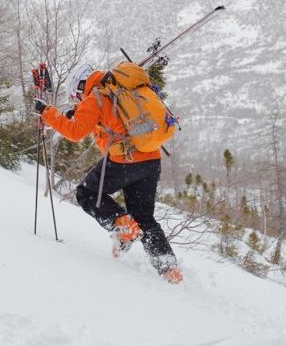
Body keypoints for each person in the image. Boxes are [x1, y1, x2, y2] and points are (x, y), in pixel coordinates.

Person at [33, 64, 183, 284]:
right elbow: (109, 119)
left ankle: (123, 226)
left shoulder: (94, 98)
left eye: (76, 95)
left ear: (81, 85)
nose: (77, 99)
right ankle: (169, 269)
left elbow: (75, 132)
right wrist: (78, 112)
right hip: (151, 159)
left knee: (86, 193)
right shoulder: (117, 88)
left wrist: (46, 112)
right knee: (144, 217)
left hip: (125, 161)